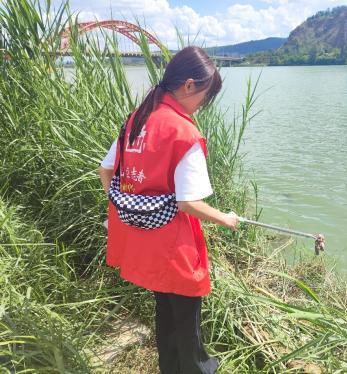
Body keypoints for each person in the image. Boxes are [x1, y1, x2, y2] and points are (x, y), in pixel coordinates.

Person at [97, 46, 239, 374]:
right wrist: (226, 218)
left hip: (143, 243)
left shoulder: (138, 118)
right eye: (203, 97)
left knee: (165, 315)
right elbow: (187, 202)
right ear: (189, 85)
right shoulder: (183, 131)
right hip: (174, 248)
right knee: (188, 326)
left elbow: (105, 171)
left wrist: (126, 205)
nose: (201, 107)